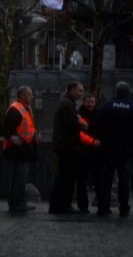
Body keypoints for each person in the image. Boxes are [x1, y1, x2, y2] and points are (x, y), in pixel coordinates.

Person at [94, 81, 133, 216]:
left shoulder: (107, 106)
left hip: (108, 149)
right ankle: (124, 207)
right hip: (127, 150)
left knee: (106, 180)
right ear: (128, 92)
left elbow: (98, 126)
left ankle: (103, 207)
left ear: (116, 92)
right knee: (124, 180)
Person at [49, 81, 85, 214]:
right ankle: (63, 205)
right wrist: (82, 124)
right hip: (67, 147)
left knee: (64, 176)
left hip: (64, 146)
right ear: (72, 90)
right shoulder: (67, 104)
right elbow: (72, 124)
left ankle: (59, 205)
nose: (81, 93)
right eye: (80, 91)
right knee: (66, 177)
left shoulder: (66, 103)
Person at [2, 86, 39, 213]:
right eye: (30, 94)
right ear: (23, 96)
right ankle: (18, 204)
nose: (32, 97)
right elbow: (6, 128)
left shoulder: (23, 108)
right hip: (18, 150)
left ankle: (18, 203)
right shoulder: (16, 108)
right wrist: (12, 137)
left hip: (23, 149)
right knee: (19, 178)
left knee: (20, 177)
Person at [76, 93, 101, 213]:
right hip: (84, 151)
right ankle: (83, 206)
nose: (90, 104)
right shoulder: (79, 115)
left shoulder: (98, 114)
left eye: (92, 102)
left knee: (97, 179)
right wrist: (93, 142)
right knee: (83, 180)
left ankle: (97, 204)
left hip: (95, 151)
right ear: (84, 102)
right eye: (88, 102)